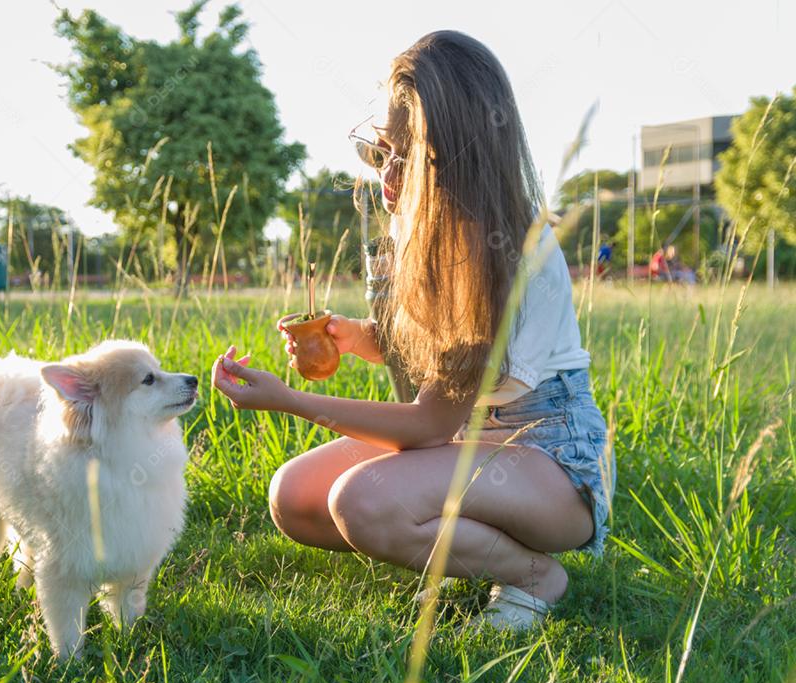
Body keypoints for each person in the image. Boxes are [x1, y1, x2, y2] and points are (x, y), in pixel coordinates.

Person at [211, 30, 614, 631]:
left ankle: (534, 576)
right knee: (294, 496)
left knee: (361, 501)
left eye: (410, 156)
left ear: (458, 161)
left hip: (548, 456)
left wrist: (290, 401)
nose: (388, 174)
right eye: (381, 151)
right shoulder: (423, 223)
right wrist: (356, 336)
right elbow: (441, 357)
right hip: (470, 440)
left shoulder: (502, 248)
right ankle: (470, 544)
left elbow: (429, 422)